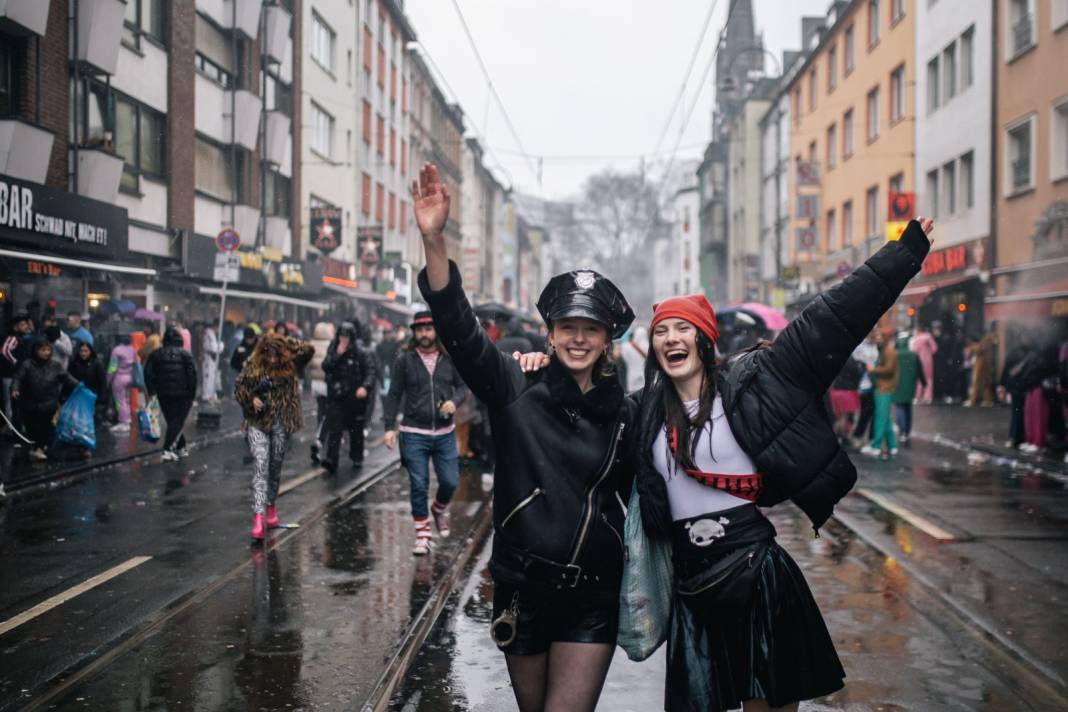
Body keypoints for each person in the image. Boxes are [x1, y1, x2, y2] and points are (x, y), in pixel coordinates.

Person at [628, 217, 935, 712]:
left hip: (755, 570)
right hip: (690, 583)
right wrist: (539, 364)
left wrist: (904, 254)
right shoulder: (641, 409)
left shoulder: (757, 379)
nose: (670, 338)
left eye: (683, 328)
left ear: (704, 340)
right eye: (662, 331)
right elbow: (585, 409)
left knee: (767, 707)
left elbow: (834, 317)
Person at [410, 163, 636, 712]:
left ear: (607, 340)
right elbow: (461, 334)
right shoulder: (515, 384)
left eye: (591, 330)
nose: (579, 338)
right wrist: (434, 240)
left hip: (593, 593)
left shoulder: (628, 412)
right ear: (551, 333)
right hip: (522, 587)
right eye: (568, 328)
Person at [382, 310, 470, 554]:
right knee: (418, 483)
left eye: (428, 329)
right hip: (413, 432)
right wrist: (389, 428)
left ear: (435, 331)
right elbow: (394, 395)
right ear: (414, 333)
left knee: (450, 482)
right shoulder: (405, 360)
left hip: (444, 433)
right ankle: (422, 535)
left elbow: (464, 387)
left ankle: (439, 509)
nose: (424, 334)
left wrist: (455, 401)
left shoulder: (448, 358)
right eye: (420, 330)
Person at [235, 333, 314, 541]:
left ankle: (270, 505)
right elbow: (239, 387)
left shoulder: (291, 365)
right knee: (260, 465)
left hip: (281, 422)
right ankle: (258, 516)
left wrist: (284, 342)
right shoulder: (253, 364)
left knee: (275, 466)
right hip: (257, 422)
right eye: (268, 354)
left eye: (275, 355)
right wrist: (250, 399)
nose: (271, 360)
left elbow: (308, 349)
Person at [11, 338, 79, 461]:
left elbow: (66, 377)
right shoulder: (27, 364)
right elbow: (18, 378)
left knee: (45, 427)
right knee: (32, 427)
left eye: (48, 350)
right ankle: (37, 446)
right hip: (29, 403)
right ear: (36, 351)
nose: (46, 352)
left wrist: (80, 386)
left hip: (49, 402)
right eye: (43, 350)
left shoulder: (55, 365)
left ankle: (39, 448)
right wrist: (15, 388)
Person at [321, 322, 376, 472]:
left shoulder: (360, 351)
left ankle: (357, 457)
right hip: (338, 396)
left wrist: (365, 387)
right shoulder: (333, 348)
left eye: (346, 336)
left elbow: (370, 371)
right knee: (335, 428)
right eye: (341, 336)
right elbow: (326, 366)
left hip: (355, 397)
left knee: (356, 430)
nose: (344, 339)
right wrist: (337, 354)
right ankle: (332, 459)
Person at [144, 327, 198, 461]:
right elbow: (192, 376)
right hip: (183, 395)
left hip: (163, 394)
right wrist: (192, 394)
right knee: (177, 421)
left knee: (172, 421)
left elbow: (147, 372)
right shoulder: (186, 355)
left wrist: (152, 390)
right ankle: (167, 449)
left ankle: (181, 447)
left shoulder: (156, 354)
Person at [861, 329, 900, 459]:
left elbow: (889, 370)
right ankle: (892, 445)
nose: (877, 339)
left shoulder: (889, 352)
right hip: (883, 387)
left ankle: (876, 446)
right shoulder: (885, 350)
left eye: (879, 336)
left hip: (884, 388)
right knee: (885, 418)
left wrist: (873, 370)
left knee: (880, 417)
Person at [307, 321, 335, 463]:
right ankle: (321, 436)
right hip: (326, 382)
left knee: (321, 408)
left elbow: (309, 363)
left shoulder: (311, 344)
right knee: (329, 411)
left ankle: (320, 429)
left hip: (315, 383)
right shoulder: (331, 344)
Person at [892, 332, 925, 444]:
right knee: (908, 408)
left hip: (897, 385)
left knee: (899, 407)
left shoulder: (894, 355)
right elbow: (920, 371)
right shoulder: (913, 355)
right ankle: (907, 431)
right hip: (910, 385)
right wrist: (924, 383)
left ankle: (902, 431)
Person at [2, 314, 34, 427]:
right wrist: (15, 362)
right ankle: (11, 427)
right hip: (10, 375)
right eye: (22, 324)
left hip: (15, 375)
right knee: (10, 402)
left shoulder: (22, 338)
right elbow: (5, 351)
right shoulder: (13, 337)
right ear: (15, 327)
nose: (26, 327)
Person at [69, 341, 108, 425]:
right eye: (81, 351)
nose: (83, 353)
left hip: (93, 398)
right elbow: (69, 380)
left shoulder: (97, 364)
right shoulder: (75, 363)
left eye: (86, 351)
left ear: (90, 351)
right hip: (78, 397)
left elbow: (103, 383)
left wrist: (102, 401)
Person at [850, 335, 878, 448]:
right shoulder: (860, 346)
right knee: (865, 413)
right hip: (864, 385)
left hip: (874, 383)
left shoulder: (875, 346)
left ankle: (871, 438)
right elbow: (857, 362)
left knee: (873, 412)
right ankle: (857, 435)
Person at [107, 335, 138, 431]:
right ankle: (127, 419)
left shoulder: (116, 350)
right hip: (130, 377)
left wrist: (108, 379)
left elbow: (112, 367)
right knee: (126, 400)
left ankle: (123, 422)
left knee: (120, 401)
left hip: (119, 378)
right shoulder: (132, 349)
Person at [967, 328, 997, 407]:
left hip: (982, 363)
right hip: (986, 364)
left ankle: (974, 400)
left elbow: (980, 349)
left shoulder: (986, 339)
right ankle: (987, 400)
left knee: (977, 382)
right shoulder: (989, 339)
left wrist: (972, 348)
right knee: (985, 383)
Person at [910, 325, 937, 404]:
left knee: (919, 378)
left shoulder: (916, 339)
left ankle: (917, 397)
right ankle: (928, 397)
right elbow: (934, 349)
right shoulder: (928, 337)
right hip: (928, 360)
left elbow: (914, 351)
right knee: (929, 379)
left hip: (919, 360)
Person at [619, 325, 648, 393]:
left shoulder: (626, 346)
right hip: (645, 376)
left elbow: (624, 358)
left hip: (631, 375)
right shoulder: (650, 346)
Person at [200, 325, 223, 402]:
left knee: (211, 378)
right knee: (208, 378)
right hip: (208, 360)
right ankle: (207, 395)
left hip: (210, 360)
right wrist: (221, 346)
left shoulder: (210, 333)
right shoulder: (209, 334)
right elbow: (214, 348)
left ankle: (209, 395)